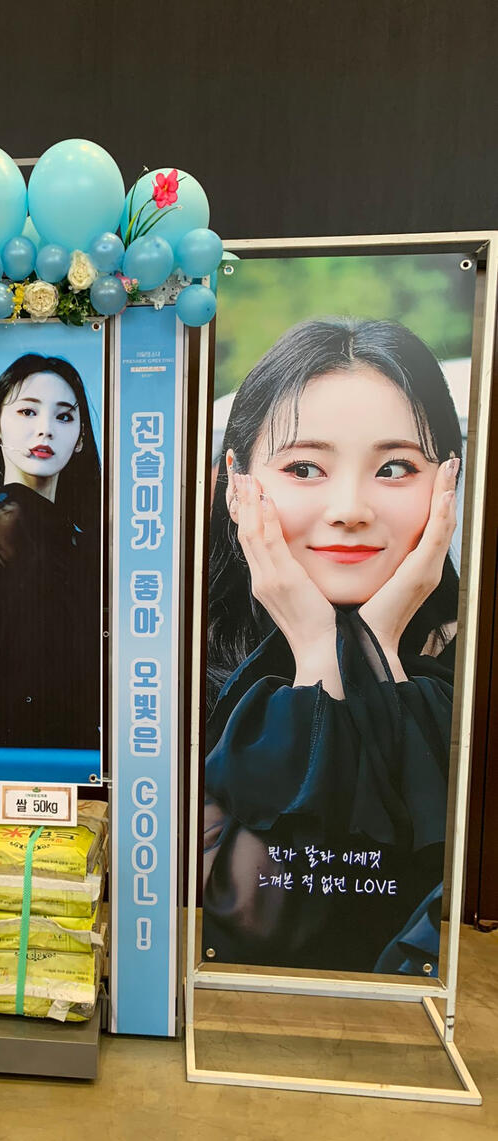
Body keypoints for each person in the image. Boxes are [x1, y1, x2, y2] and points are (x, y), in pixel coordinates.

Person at [203, 318, 462, 975]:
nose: (350, 508)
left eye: (395, 468)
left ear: (447, 482)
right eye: (305, 468)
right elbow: (253, 924)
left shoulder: (473, 673)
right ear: (237, 482)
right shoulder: (173, 664)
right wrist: (322, 652)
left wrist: (375, 648)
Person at [0, 353, 101, 752]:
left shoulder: (66, 527)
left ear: (80, 438)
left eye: (63, 417)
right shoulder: (11, 520)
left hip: (62, 738)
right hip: (31, 742)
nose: (45, 429)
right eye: (27, 412)